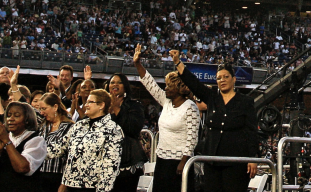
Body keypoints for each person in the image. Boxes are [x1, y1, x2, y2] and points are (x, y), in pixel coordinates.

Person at [170, 50, 259, 192]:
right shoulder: (212, 97)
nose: (222, 80)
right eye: (219, 78)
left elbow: (252, 131)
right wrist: (177, 62)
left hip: (235, 163)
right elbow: (194, 83)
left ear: (234, 79)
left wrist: (253, 158)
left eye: (225, 77)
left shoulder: (246, 102)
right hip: (212, 161)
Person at [133, 44, 199, 192]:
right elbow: (149, 83)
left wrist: (184, 162)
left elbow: (192, 139)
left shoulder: (190, 107)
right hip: (162, 160)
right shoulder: (166, 101)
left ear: (180, 88)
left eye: (169, 86)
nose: (166, 88)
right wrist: (137, 64)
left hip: (180, 162)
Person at [52, 89, 123, 192]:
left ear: (101, 105)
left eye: (90, 102)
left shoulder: (112, 129)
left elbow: (110, 167)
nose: (85, 105)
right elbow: (60, 147)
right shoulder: (79, 125)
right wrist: (36, 153)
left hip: (92, 188)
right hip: (71, 185)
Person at [0, 101, 48, 192]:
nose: (10, 119)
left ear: (27, 119)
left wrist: (7, 142)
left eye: (16, 115)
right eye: (8, 115)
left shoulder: (36, 140)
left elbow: (22, 168)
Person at [105, 73, 146, 192]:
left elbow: (133, 129)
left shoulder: (135, 105)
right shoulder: (103, 105)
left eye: (119, 82)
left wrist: (117, 108)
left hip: (128, 160)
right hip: (106, 160)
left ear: (125, 86)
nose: (115, 85)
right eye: (112, 82)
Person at [36, 93, 73, 192]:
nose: (41, 112)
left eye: (44, 109)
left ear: (55, 107)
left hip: (57, 178)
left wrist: (64, 184)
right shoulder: (43, 125)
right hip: (39, 176)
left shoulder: (70, 127)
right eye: (40, 109)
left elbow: (71, 158)